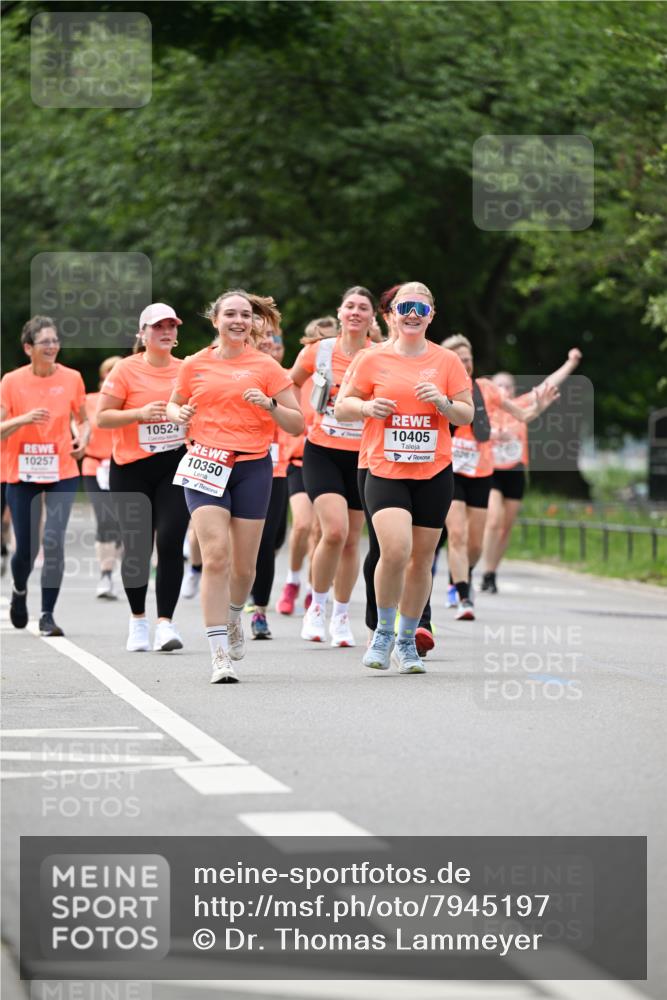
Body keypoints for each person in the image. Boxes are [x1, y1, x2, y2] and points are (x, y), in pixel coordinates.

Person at [335, 281, 473, 674]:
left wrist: (443, 403)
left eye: (421, 307)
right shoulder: (372, 358)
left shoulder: (447, 361)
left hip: (433, 470)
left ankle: (408, 639)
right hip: (383, 467)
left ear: (432, 315)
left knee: (421, 560)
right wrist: (366, 407)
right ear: (392, 314)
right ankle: (382, 632)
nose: (413, 314)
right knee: (394, 550)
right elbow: (342, 406)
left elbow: (466, 415)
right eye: (405, 306)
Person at [166, 289, 303, 684]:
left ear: (253, 322)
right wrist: (181, 413)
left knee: (244, 567)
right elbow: (174, 405)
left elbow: (297, 424)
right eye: (230, 314)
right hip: (204, 463)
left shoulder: (266, 367)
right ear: (216, 320)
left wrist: (270, 406)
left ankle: (233, 616)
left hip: (251, 467)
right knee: (216, 557)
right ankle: (218, 655)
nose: (238, 320)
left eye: (245, 314)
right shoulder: (194, 364)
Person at [442, 334, 558, 620]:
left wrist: (540, 405)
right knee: (457, 534)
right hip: (449, 471)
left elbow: (522, 415)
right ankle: (464, 596)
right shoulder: (438, 389)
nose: (465, 363)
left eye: (468, 358)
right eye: (459, 359)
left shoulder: (486, 389)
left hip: (481, 471)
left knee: (475, 544)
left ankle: (461, 576)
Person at [97, 303, 190, 652]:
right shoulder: (124, 370)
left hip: (175, 465)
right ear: (142, 333)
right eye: (157, 327)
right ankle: (138, 621)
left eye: (171, 326)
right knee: (137, 548)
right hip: (131, 468)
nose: (166, 332)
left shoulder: (188, 369)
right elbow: (102, 418)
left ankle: (165, 623)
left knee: (169, 541)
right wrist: (139, 413)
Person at [290, 287, 375, 647]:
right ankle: (317, 606)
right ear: (339, 312)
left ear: (373, 318)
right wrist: (299, 417)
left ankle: (341, 615)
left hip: (363, 454)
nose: (355, 312)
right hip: (322, 450)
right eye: (350, 306)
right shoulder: (317, 351)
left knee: (353, 539)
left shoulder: (380, 356)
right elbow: (289, 382)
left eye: (363, 308)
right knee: (334, 532)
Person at [1, 315, 89, 635]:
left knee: (53, 540)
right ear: (28, 348)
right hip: (20, 472)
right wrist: (22, 419)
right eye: (45, 342)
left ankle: (48, 614)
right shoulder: (11, 382)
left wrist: (84, 437)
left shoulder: (73, 378)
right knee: (27, 549)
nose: (52, 346)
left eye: (55, 341)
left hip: (62, 469)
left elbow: (83, 419)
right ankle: (20, 591)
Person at [480, 348, 582, 593]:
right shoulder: (485, 409)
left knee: (506, 525)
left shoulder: (519, 405)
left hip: (515, 471)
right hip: (490, 470)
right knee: (493, 520)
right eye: (499, 385)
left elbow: (548, 384)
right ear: (492, 389)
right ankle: (481, 565)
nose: (504, 389)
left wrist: (571, 363)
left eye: (508, 385)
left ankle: (490, 573)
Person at [276, 316, 337, 616]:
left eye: (329, 339)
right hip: (300, 459)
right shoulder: (294, 378)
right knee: (302, 524)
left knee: (321, 530)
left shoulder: (344, 376)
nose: (323, 346)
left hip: (332, 457)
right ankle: (292, 581)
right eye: (317, 340)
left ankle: (315, 589)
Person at [81, 355, 123, 599]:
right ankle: (105, 575)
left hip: (123, 467)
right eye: (109, 372)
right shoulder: (88, 401)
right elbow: (77, 425)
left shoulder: (132, 403)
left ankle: (114, 565)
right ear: (102, 378)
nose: (113, 377)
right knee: (105, 519)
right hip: (94, 466)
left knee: (122, 524)